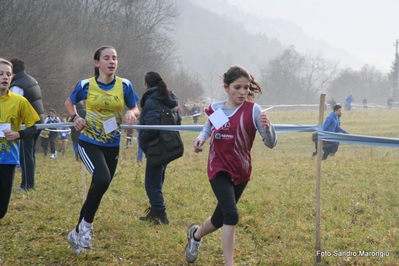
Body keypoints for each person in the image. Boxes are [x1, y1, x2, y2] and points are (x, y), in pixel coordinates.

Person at [184, 65, 277, 265]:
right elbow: (209, 127)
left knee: (219, 218)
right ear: (226, 87)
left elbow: (270, 144)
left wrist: (268, 129)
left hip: (241, 171)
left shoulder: (254, 111)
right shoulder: (218, 110)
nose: (242, 92)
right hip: (218, 169)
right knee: (232, 214)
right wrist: (201, 139)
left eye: (246, 88)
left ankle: (195, 235)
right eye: (237, 88)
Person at [64, 45, 140, 255]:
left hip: (112, 145)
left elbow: (135, 107)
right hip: (89, 143)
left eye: (114, 58)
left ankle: (77, 233)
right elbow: (70, 102)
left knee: (98, 186)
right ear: (97, 63)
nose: (112, 61)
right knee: (103, 179)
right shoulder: (85, 85)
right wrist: (76, 117)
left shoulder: (124, 85)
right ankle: (86, 227)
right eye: (106, 58)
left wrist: (132, 114)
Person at [138, 71, 181, 225]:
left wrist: (143, 140)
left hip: (156, 147)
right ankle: (155, 211)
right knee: (158, 179)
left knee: (151, 183)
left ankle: (161, 215)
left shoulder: (151, 101)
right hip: (169, 145)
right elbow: (178, 122)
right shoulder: (170, 99)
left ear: (146, 84)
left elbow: (150, 128)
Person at [0, 58, 40, 219]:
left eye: (8, 74)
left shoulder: (19, 101)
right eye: (1, 74)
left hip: (8, 159)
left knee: (1, 210)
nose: (5, 77)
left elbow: (34, 127)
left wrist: (18, 134)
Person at [9, 57, 45, 191]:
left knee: (25, 155)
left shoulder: (17, 85)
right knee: (30, 154)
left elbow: (13, 106)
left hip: (27, 125)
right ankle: (29, 183)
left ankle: (27, 185)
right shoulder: (31, 80)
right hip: (38, 122)